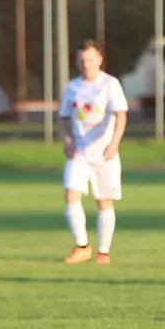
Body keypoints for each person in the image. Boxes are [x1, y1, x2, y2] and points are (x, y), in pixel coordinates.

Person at [59, 40, 128, 265]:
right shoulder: (72, 87)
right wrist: (68, 140)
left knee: (104, 201)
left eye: (89, 59)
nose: (85, 64)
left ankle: (103, 252)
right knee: (71, 195)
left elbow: (121, 115)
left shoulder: (110, 84)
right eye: (81, 60)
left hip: (104, 154)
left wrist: (114, 143)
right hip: (79, 153)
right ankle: (82, 246)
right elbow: (64, 117)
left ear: (99, 59)